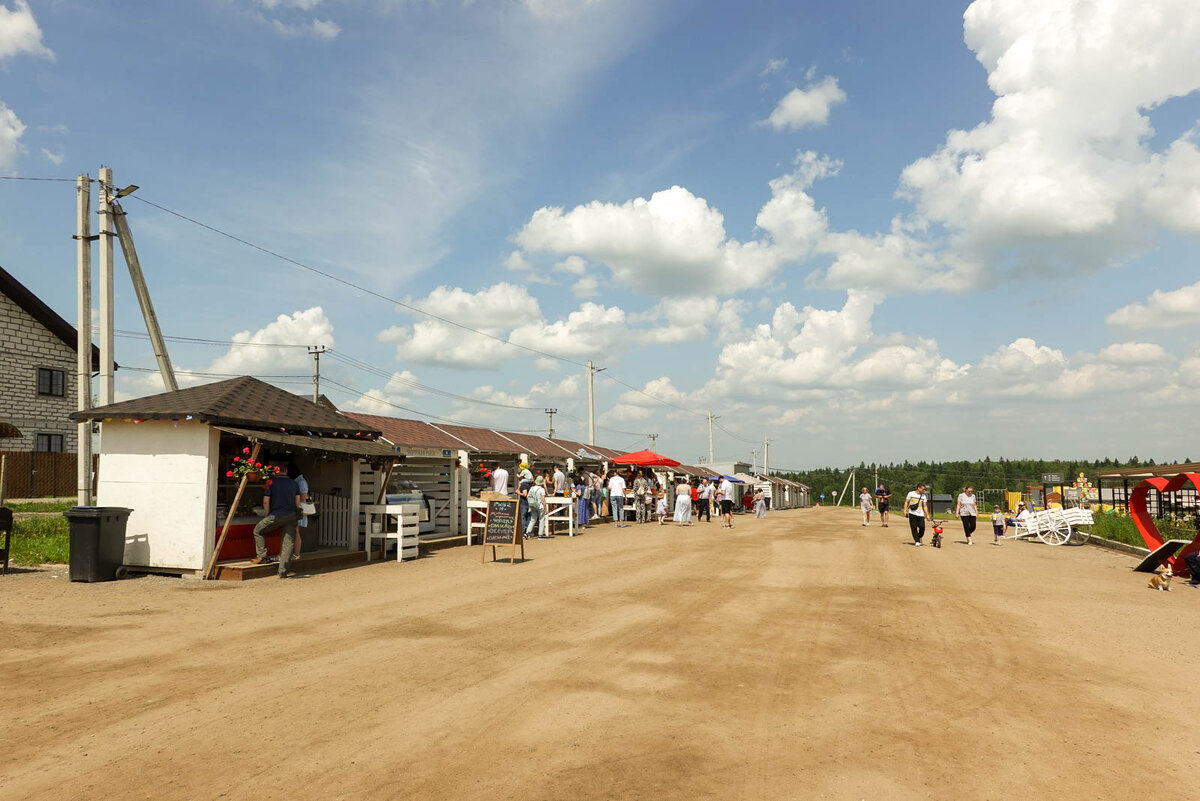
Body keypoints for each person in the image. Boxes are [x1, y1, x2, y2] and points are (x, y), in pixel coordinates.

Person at [251, 468, 301, 578]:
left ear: (276, 472)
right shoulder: (294, 483)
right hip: (291, 516)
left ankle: (262, 556)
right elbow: (298, 501)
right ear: (286, 471)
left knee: (258, 530)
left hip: (276, 515)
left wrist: (267, 513)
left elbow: (266, 501)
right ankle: (283, 571)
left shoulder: (271, 483)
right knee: (288, 543)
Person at [290, 462, 309, 561]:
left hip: (298, 508)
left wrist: (294, 499)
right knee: (295, 531)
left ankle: (296, 553)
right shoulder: (298, 480)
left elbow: (304, 496)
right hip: (297, 507)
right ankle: (295, 553)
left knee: (296, 531)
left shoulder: (300, 481)